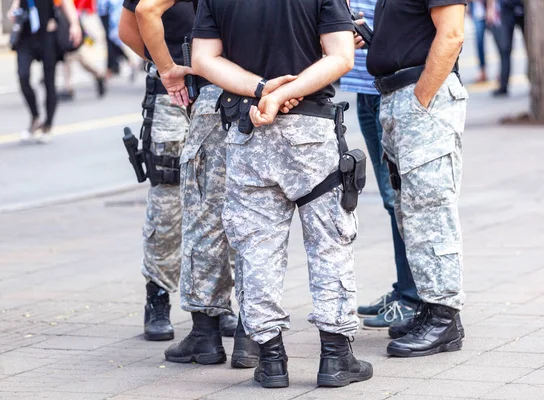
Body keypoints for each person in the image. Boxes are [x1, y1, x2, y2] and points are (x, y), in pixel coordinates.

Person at [193, 0, 373, 389]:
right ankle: (335, 357)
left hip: (248, 128)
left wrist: (263, 90)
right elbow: (341, 56)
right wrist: (286, 92)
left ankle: (271, 360)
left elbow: (203, 59)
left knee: (256, 248)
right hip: (310, 129)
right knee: (330, 242)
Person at [118, 0, 238, 344]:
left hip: (222, 91)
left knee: (222, 198)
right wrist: (167, 67)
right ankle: (158, 296)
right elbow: (130, 27)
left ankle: (218, 301)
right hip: (176, 93)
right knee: (168, 199)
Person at [367, 0, 468, 357]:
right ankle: (430, 306)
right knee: (410, 214)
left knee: (431, 213)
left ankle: (444, 319)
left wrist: (420, 100)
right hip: (400, 98)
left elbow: (452, 33)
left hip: (422, 98)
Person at [339, 2, 420, 331]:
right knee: (392, 199)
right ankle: (405, 289)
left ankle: (415, 299)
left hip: (395, 87)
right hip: (366, 89)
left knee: (404, 197)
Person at [7, 0, 82, 142]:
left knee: (49, 81)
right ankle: (35, 117)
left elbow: (66, 3)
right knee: (23, 76)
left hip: (47, 35)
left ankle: (48, 125)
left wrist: (74, 24)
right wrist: (12, 13)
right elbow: (15, 6)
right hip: (26, 36)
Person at [490, 0, 525, 97]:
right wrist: (491, 7)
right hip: (506, 7)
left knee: (532, 48)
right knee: (505, 49)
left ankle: (534, 80)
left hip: (525, 6)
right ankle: (503, 84)